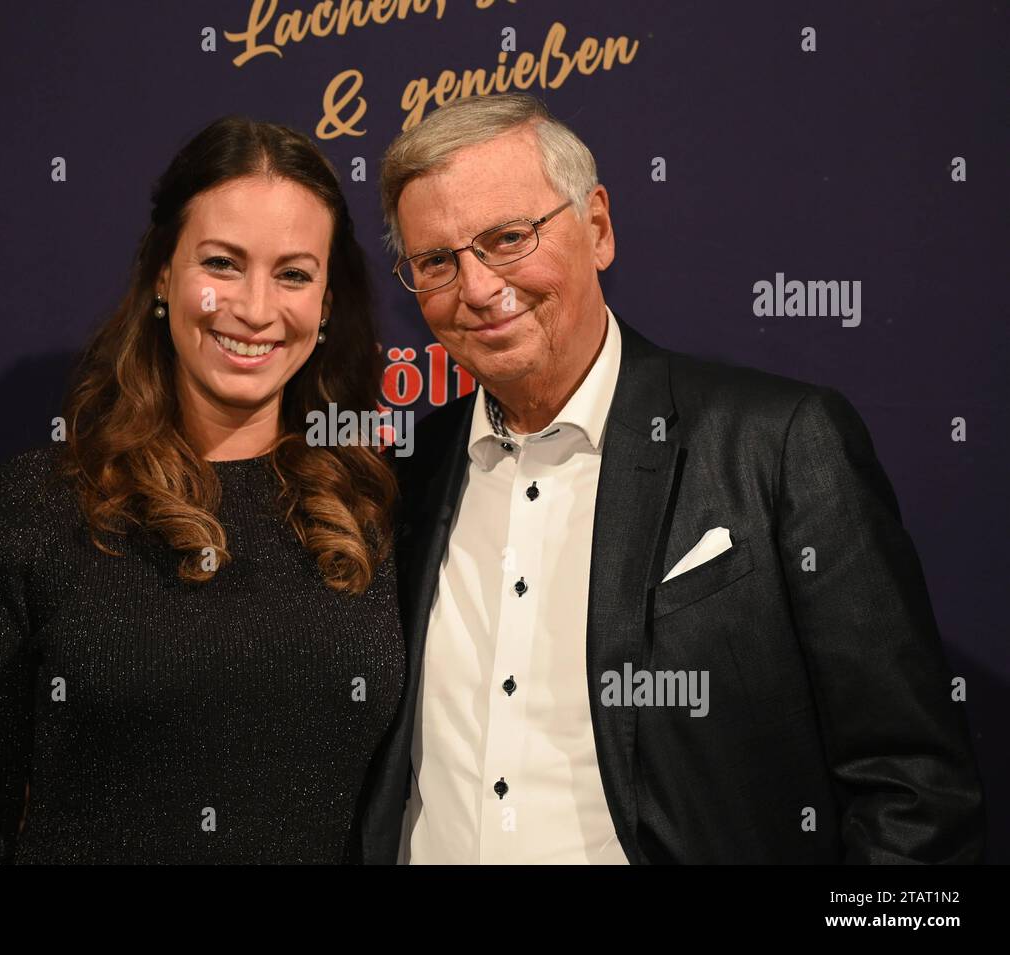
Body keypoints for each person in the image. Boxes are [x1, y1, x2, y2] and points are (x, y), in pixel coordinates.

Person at [355, 92, 985, 864]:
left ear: (597, 226)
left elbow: (915, 790)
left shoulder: (778, 444)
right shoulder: (403, 476)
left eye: (509, 238)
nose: (479, 288)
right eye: (437, 262)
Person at [0, 116, 404, 864]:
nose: (257, 308)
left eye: (294, 273)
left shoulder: (379, 507)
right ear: (162, 277)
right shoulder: (36, 508)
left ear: (328, 304)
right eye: (222, 264)